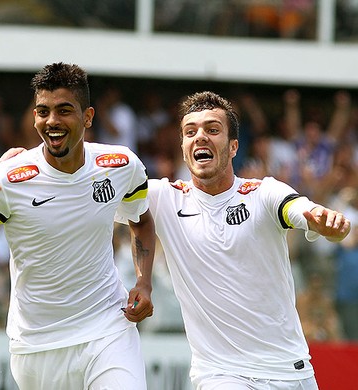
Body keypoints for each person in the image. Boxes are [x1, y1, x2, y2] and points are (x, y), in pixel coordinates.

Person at [0, 62, 156, 389]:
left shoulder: (121, 165)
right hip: (37, 345)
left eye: (64, 110)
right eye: (43, 111)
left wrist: (144, 282)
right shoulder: (6, 180)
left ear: (88, 117)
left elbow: (140, 221)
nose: (52, 121)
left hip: (108, 328)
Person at [146, 91, 351, 389]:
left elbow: (298, 208)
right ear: (182, 146)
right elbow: (92, 192)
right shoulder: (163, 198)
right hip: (221, 375)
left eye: (212, 130)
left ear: (233, 147)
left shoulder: (263, 192)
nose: (200, 137)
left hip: (291, 371)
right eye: (191, 132)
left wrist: (324, 220)